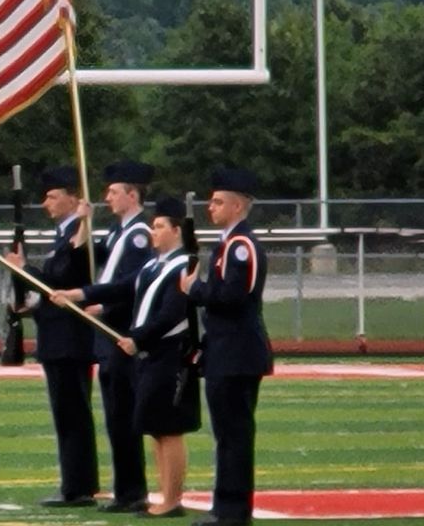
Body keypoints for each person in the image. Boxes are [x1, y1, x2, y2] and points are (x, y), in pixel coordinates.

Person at [50, 160, 154, 514]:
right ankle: (123, 489)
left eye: (113, 192)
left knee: (124, 416)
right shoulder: (116, 232)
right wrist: (83, 221)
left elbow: (130, 283)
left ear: (132, 194)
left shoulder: (140, 233)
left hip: (121, 331)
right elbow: (91, 261)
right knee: (114, 416)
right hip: (105, 336)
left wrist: (87, 298)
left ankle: (132, 491)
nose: (107, 197)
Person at [179, 168, 273, 526]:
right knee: (227, 435)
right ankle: (225, 506)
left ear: (237, 206)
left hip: (238, 354)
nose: (211, 208)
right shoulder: (228, 243)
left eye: (218, 202)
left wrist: (196, 290)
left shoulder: (241, 246)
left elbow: (234, 296)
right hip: (225, 352)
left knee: (234, 435)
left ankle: (233, 511)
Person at [4, 165, 98, 507]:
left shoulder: (78, 232)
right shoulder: (64, 234)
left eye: (53, 196)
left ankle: (78, 487)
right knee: (67, 415)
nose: (47, 203)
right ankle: (75, 482)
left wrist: (24, 269)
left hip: (70, 341)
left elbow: (65, 278)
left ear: (73, 199)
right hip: (58, 338)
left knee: (73, 414)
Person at [116, 196, 201, 518]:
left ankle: (172, 499)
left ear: (177, 230)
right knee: (154, 427)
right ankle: (163, 493)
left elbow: (170, 315)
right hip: (151, 356)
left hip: (170, 355)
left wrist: (137, 339)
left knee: (169, 428)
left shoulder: (183, 266)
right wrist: (80, 295)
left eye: (159, 226)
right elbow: (123, 289)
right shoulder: (153, 266)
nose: (153, 232)